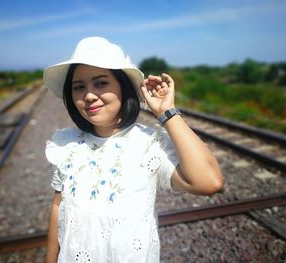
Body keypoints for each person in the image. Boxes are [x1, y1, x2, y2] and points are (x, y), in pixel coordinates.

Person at [44, 36, 223, 263]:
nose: (88, 95)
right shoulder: (67, 145)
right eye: (79, 87)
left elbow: (209, 182)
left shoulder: (148, 144)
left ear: (123, 87)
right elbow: (58, 208)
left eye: (100, 83)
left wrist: (166, 112)